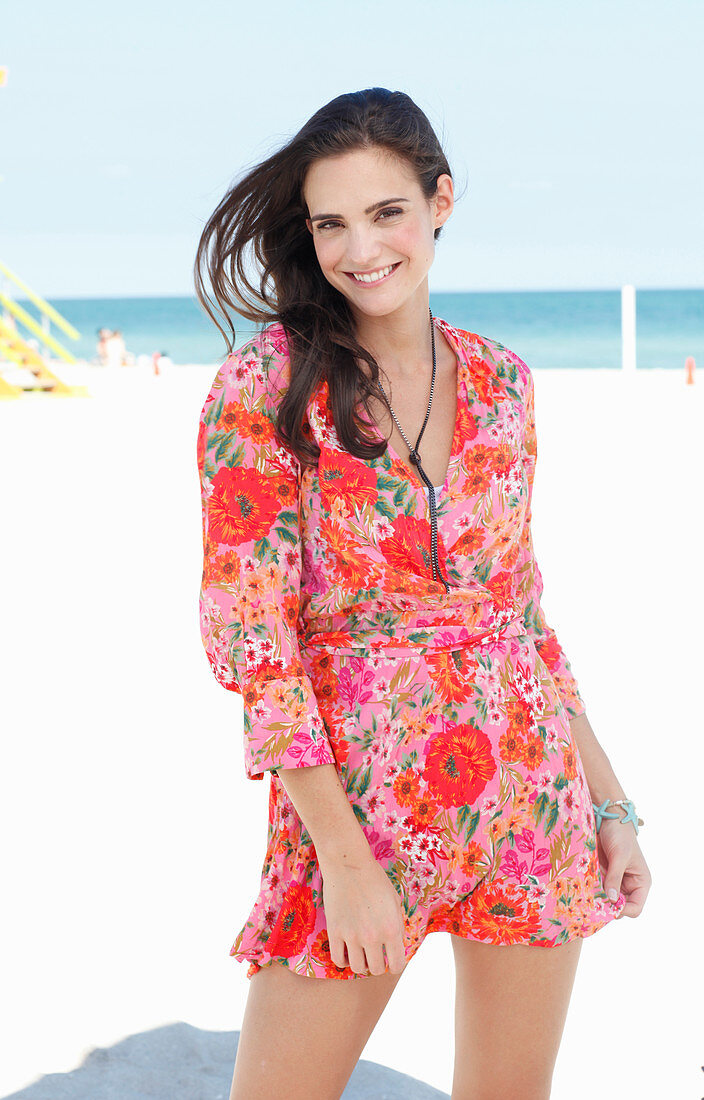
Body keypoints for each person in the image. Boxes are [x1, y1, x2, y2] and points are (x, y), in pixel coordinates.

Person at [194, 88, 652, 1100]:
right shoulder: (266, 384)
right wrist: (346, 865)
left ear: (439, 202)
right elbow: (253, 634)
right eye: (331, 223)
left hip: (529, 798)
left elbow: (520, 614)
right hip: (357, 813)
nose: (361, 248)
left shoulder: (503, 379)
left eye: (386, 211)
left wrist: (608, 799)